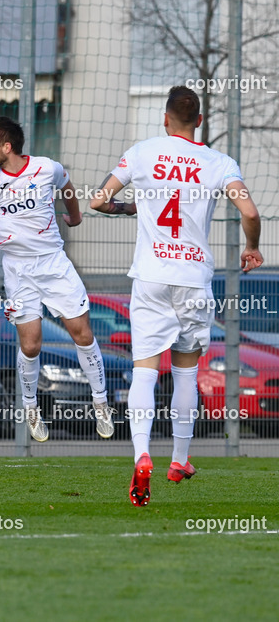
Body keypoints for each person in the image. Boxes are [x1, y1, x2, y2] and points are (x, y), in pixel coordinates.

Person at [91, 86, 262, 506]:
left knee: (146, 370)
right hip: (192, 278)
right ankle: (179, 460)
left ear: (164, 119)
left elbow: (99, 200)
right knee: (186, 372)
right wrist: (252, 247)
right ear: (199, 122)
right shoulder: (218, 162)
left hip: (150, 276)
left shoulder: (143, 152)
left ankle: (141, 453)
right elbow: (250, 212)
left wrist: (130, 209)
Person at [0, 117, 114, 443]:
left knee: (82, 333)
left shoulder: (47, 168)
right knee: (31, 344)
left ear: (7, 146)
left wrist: (74, 217)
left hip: (54, 264)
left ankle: (100, 402)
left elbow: (68, 186)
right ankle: (31, 408)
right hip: (17, 270)